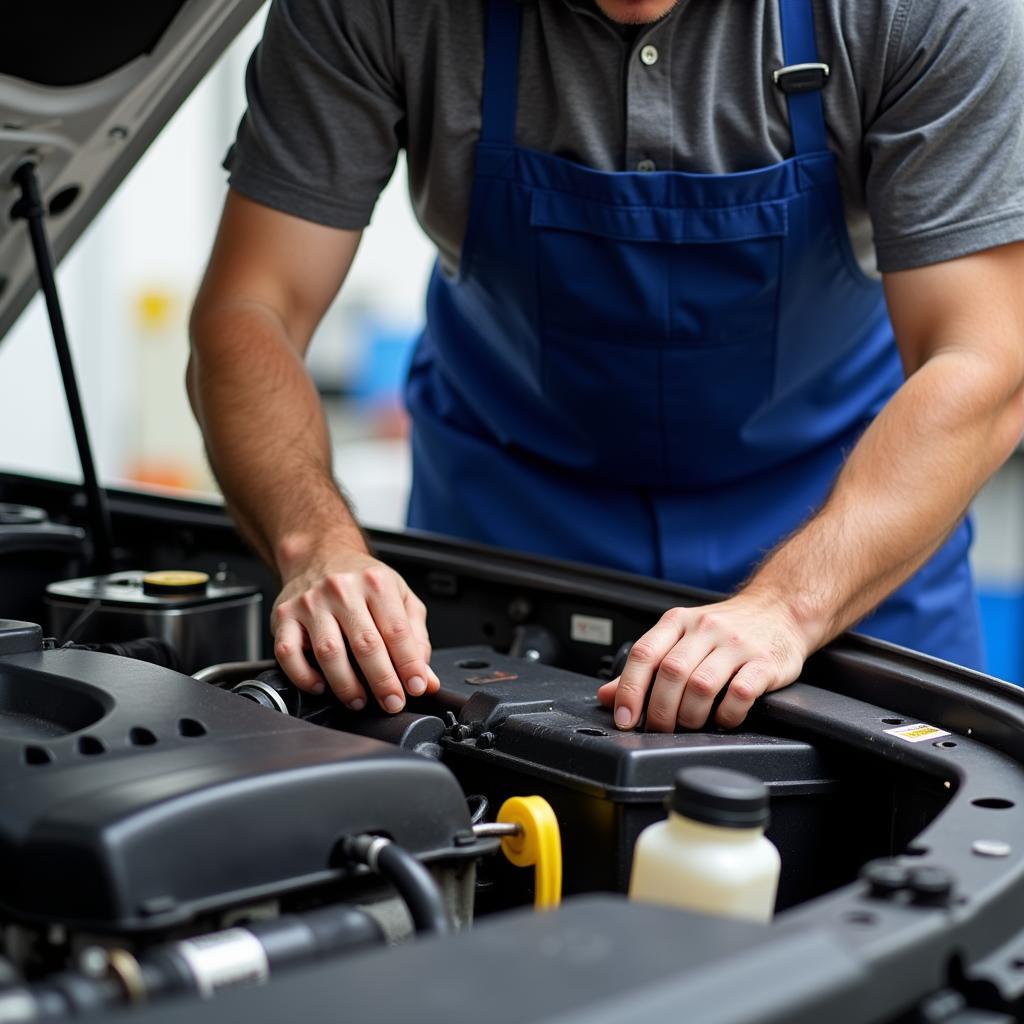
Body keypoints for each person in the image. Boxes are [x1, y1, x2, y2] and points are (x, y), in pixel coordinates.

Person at [188, 0, 1024, 733]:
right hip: (507, 545)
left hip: (847, 535)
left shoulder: (921, 10)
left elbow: (986, 360)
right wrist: (317, 547)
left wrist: (790, 606)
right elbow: (249, 310)